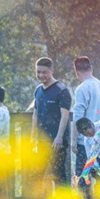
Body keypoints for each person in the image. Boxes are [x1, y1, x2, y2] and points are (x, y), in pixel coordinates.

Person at [71, 56, 100, 199]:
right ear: (91, 69)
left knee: (82, 175)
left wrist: (74, 140)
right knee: (99, 173)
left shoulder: (82, 88)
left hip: (85, 139)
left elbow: (78, 118)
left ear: (76, 72)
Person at [32, 57, 72, 186]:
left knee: (58, 174)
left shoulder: (61, 90)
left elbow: (65, 115)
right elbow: (35, 114)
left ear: (52, 71)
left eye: (44, 72)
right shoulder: (38, 90)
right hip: (41, 140)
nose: (41, 75)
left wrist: (59, 137)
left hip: (57, 141)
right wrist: (33, 137)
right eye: (38, 72)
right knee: (37, 174)